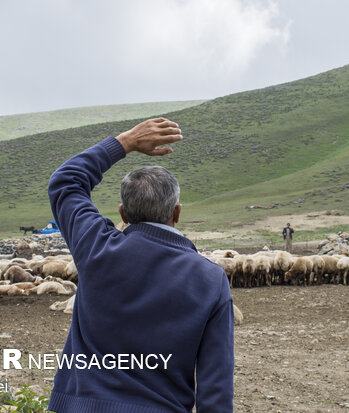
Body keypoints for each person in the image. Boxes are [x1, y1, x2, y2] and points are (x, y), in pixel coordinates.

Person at [46, 118, 234, 413]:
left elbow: (66, 181)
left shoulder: (96, 247)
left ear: (123, 212)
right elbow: (216, 389)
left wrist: (126, 142)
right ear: (177, 213)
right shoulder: (211, 279)